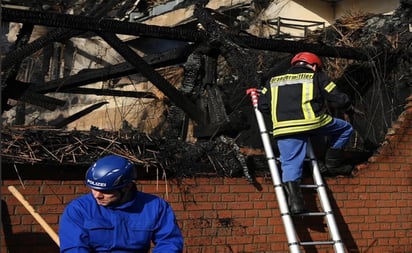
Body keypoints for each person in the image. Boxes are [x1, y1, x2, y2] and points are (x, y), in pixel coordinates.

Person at [257, 52, 354, 214]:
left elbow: (263, 106)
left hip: (284, 127)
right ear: (314, 66)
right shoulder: (317, 77)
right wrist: (348, 106)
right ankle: (333, 162)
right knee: (345, 129)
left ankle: (296, 203)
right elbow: (337, 98)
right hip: (312, 123)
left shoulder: (273, 81)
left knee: (290, 163)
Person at [59, 154, 184, 253]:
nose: (97, 195)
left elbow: (169, 243)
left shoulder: (155, 207)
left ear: (127, 186)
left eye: (105, 191)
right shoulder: (79, 209)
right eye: (93, 189)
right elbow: (74, 248)